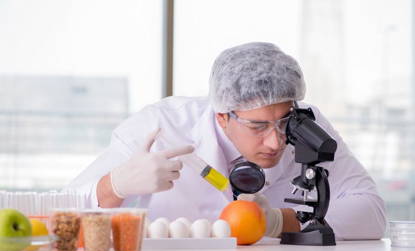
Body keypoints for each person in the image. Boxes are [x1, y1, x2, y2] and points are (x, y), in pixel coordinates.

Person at [67, 42, 386, 240]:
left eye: (284, 122)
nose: (275, 142)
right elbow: (66, 208)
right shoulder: (162, 125)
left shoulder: (307, 123)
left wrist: (278, 221)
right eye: (258, 126)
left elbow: (371, 212)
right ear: (222, 116)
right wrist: (115, 186)